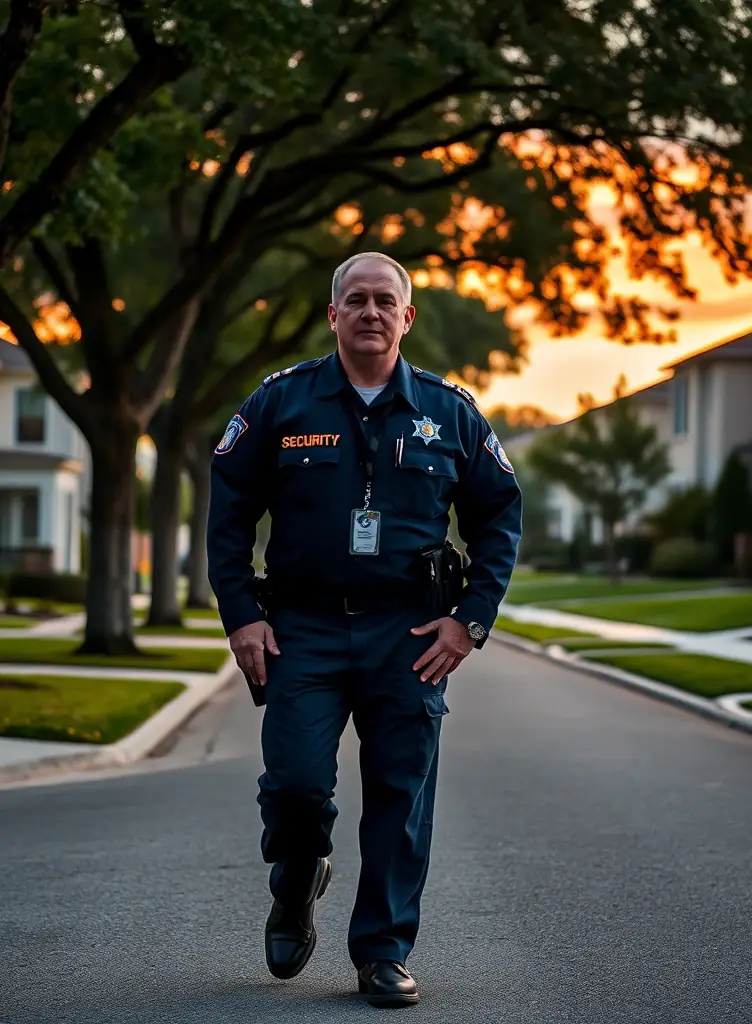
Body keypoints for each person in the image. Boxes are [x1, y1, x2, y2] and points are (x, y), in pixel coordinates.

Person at [206, 252, 522, 1008]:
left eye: (386, 301)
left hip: (408, 634)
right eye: (357, 300)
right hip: (302, 630)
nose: (371, 312)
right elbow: (228, 512)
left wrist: (469, 622)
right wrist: (242, 615)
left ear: (407, 318)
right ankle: (295, 876)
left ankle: (382, 952)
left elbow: (499, 517)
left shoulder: (449, 412)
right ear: (334, 315)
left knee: (398, 795)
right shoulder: (281, 404)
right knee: (295, 787)